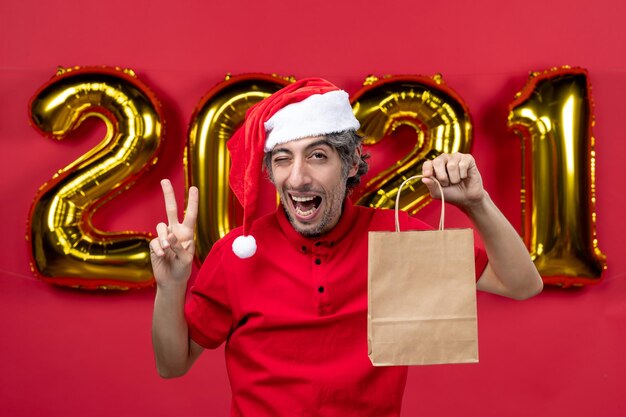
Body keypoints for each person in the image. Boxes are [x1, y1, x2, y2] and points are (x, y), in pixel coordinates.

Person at [151, 78, 543, 416]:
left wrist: (477, 203)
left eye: (317, 156)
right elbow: (172, 365)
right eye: (283, 159)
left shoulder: (396, 237)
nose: (298, 177)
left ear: (352, 162)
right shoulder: (238, 252)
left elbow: (521, 284)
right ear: (270, 172)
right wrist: (170, 286)